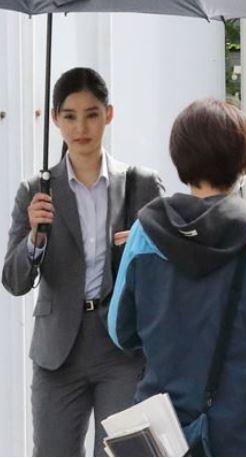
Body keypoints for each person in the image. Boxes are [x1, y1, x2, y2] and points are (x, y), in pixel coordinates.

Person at [108, 99, 246, 457]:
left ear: (181, 161)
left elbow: (121, 331)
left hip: (163, 441)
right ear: (244, 165)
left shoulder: (144, 234)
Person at [1, 67, 164, 456]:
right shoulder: (36, 191)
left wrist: (144, 248)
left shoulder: (142, 184)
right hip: (58, 351)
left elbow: (169, 271)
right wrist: (34, 238)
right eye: (70, 116)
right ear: (55, 119)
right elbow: (14, 280)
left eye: (92, 114)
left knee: (125, 453)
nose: (81, 128)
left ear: (109, 114)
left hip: (122, 347)